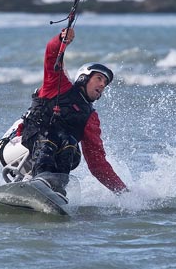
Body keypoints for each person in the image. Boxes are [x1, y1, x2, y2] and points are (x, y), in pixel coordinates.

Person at [20, 27, 127, 195]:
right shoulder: (58, 85)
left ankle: (57, 189)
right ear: (83, 78)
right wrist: (62, 39)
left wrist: (123, 192)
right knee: (52, 134)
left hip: (59, 150)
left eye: (105, 83)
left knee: (69, 141)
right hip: (29, 140)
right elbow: (51, 55)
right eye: (99, 78)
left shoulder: (90, 117)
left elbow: (97, 162)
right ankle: (40, 179)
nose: (102, 85)